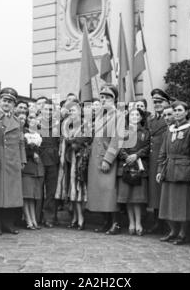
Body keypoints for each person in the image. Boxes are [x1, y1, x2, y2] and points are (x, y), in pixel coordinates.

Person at [156, 101, 190, 245]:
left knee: (182, 205)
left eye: (179, 110)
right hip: (168, 170)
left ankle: (183, 233)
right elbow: (163, 152)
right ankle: (173, 231)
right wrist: (159, 170)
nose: (176, 113)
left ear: (187, 112)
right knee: (168, 203)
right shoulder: (169, 130)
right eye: (174, 110)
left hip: (183, 171)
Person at [0, 88, 26, 235]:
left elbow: (21, 142)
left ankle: (8, 223)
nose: (6, 103)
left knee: (12, 194)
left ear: (14, 104)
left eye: (10, 101)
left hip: (13, 159)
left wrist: (22, 160)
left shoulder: (17, 121)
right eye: (4, 100)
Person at [87, 85, 123, 235]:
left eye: (107, 97)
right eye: (101, 97)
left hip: (108, 159)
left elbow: (117, 140)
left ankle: (116, 223)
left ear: (114, 99)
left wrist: (108, 160)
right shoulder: (100, 116)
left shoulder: (119, 116)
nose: (103, 100)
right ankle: (106, 221)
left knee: (110, 192)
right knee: (99, 192)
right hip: (95, 159)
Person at [57, 102, 92, 230]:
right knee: (71, 188)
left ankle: (81, 218)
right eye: (70, 111)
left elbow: (86, 140)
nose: (71, 113)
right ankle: (75, 217)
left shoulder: (85, 125)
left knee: (79, 189)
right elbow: (62, 141)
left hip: (80, 161)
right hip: (68, 160)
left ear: (79, 111)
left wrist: (74, 142)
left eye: (74, 110)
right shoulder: (67, 126)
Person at [117, 108, 150, 236]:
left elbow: (147, 146)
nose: (135, 116)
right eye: (132, 114)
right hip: (126, 166)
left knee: (137, 198)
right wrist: (126, 157)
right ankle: (131, 222)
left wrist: (136, 155)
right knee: (128, 198)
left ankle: (138, 223)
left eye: (138, 114)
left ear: (141, 118)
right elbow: (118, 146)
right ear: (128, 117)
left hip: (140, 165)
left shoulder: (146, 132)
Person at [146, 89, 171, 234]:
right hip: (153, 158)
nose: (157, 104)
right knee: (154, 191)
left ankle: (167, 223)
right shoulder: (151, 120)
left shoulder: (169, 118)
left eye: (160, 101)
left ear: (167, 102)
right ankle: (157, 221)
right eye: (154, 102)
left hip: (165, 158)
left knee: (164, 191)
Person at [38, 99, 61, 227]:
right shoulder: (36, 124)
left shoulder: (57, 125)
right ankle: (37, 216)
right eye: (46, 109)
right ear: (41, 110)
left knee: (51, 190)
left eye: (51, 110)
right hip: (39, 159)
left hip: (53, 159)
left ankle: (50, 217)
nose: (48, 112)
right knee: (39, 189)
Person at [21, 111, 44, 230]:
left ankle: (34, 219)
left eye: (34, 118)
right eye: (30, 117)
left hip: (37, 168)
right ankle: (28, 220)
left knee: (33, 195)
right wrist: (32, 152)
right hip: (27, 167)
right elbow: (22, 148)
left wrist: (37, 152)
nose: (32, 120)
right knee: (26, 195)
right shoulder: (24, 133)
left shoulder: (40, 134)